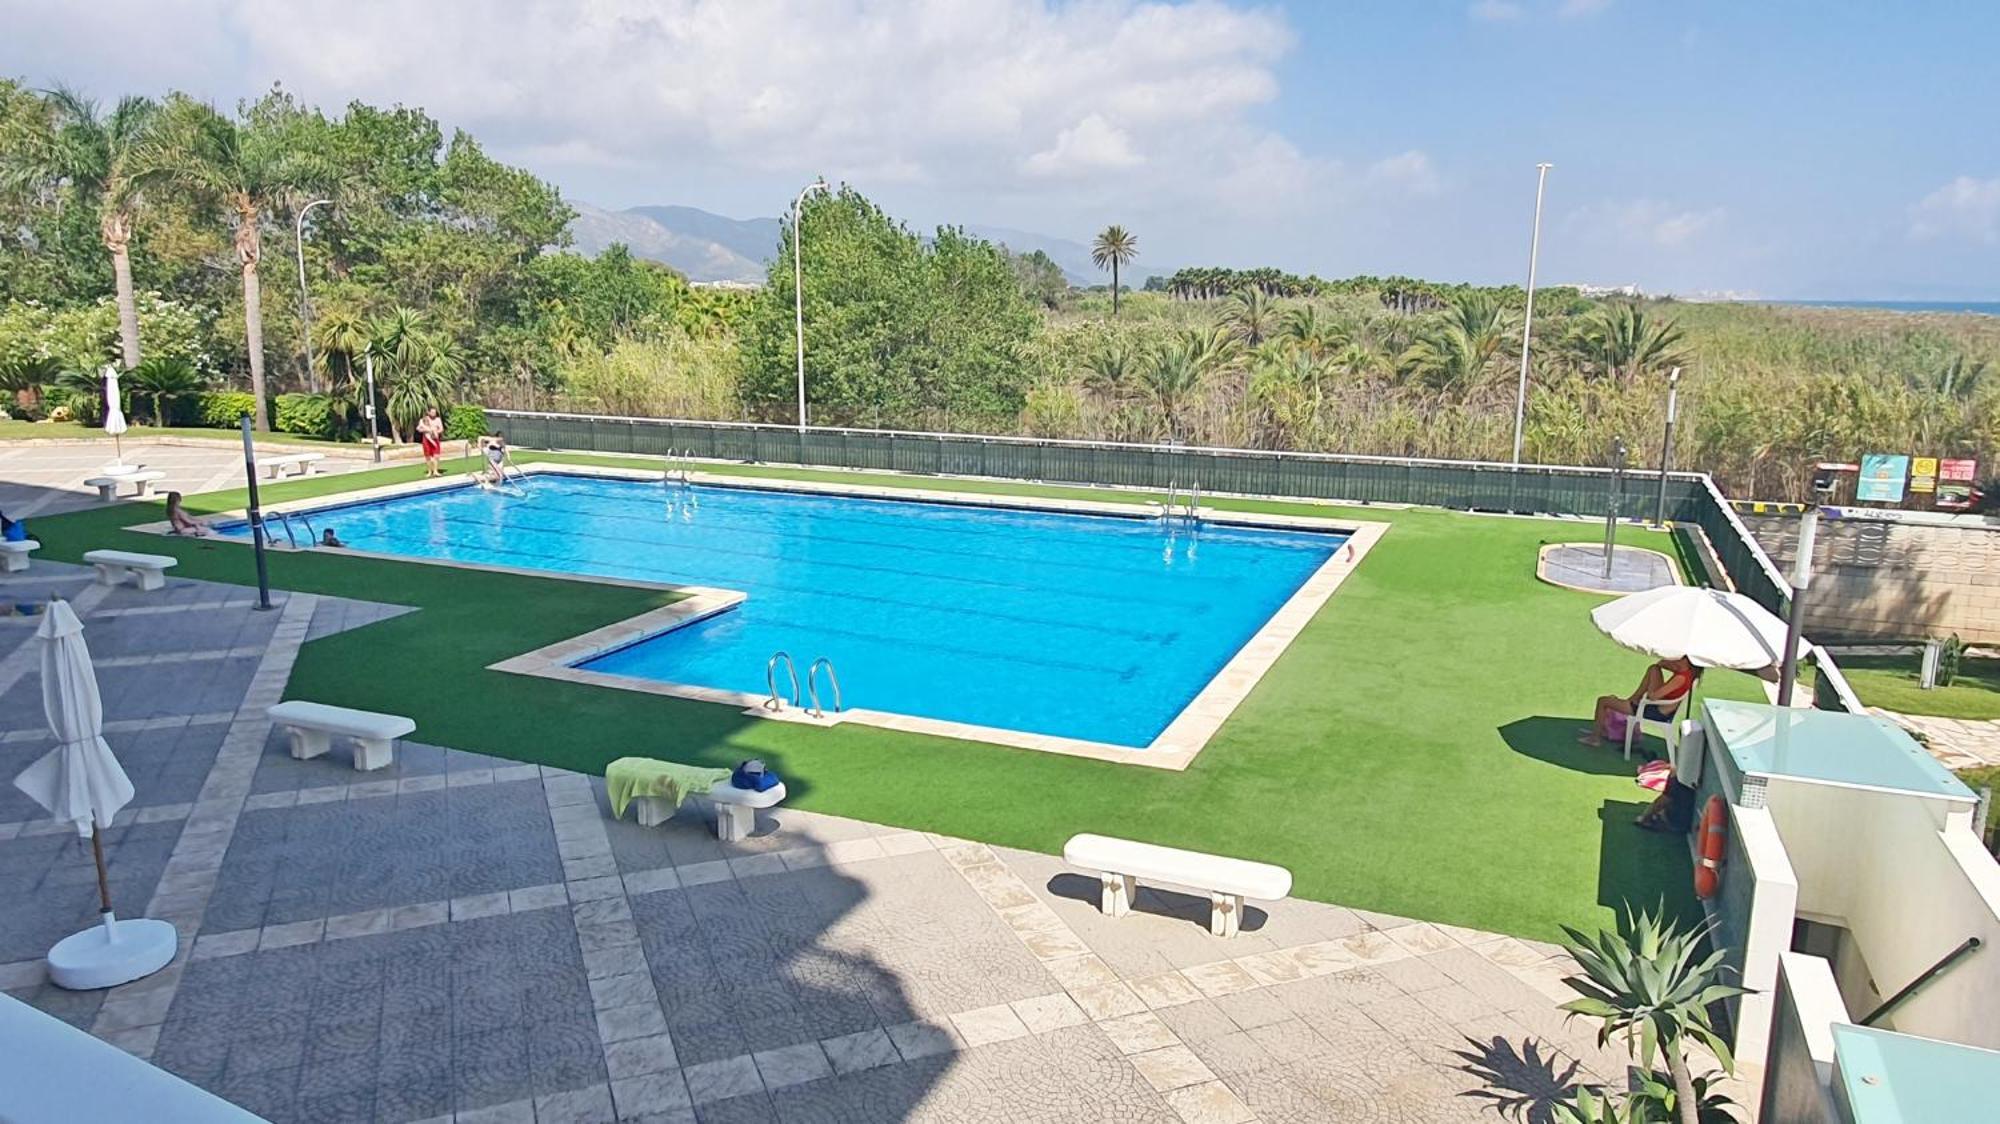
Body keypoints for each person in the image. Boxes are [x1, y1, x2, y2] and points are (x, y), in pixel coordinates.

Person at [1578, 655, 1699, 748]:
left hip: (1653, 711)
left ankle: (1595, 738)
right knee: (1654, 669)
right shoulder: (1687, 673)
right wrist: (1666, 664)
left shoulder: (1680, 678)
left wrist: (1650, 690)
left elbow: (1653, 696)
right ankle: (1633, 699)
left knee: (1603, 701)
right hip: (1658, 707)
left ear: (1685, 661)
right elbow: (1660, 664)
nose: (1674, 659)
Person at [416, 407, 445, 478]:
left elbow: (441, 429)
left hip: (435, 439)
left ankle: (435, 471)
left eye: (435, 412)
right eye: (432, 412)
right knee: (428, 456)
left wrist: (435, 432)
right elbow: (419, 429)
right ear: (428, 412)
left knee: (436, 455)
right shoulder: (424, 419)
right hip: (426, 439)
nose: (434, 414)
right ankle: (429, 471)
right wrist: (427, 431)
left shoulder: (438, 419)